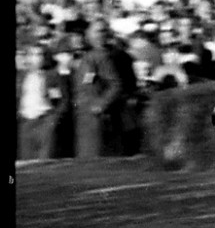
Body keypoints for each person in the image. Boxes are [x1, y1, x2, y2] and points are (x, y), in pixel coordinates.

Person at [70, 19, 136, 157]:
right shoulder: (86, 57)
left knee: (96, 160)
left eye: (101, 31)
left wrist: (100, 105)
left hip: (96, 119)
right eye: (95, 31)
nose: (98, 35)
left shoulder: (101, 56)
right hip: (84, 118)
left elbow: (116, 84)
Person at [17, 43, 67, 160]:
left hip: (44, 122)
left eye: (40, 54)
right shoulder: (21, 77)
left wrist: (53, 120)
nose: (36, 58)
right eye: (32, 54)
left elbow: (63, 100)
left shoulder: (52, 76)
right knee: (26, 162)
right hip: (26, 123)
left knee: (44, 161)